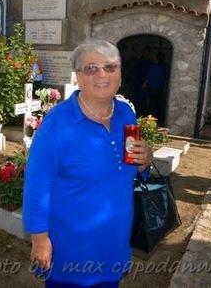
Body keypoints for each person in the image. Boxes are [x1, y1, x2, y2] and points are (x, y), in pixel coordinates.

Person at [23, 38, 153, 287]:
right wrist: (39, 240)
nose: (102, 74)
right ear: (78, 77)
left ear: (120, 73)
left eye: (111, 67)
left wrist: (145, 160)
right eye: (91, 68)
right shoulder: (57, 124)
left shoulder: (126, 113)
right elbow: (36, 186)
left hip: (114, 242)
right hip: (71, 250)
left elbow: (128, 168)